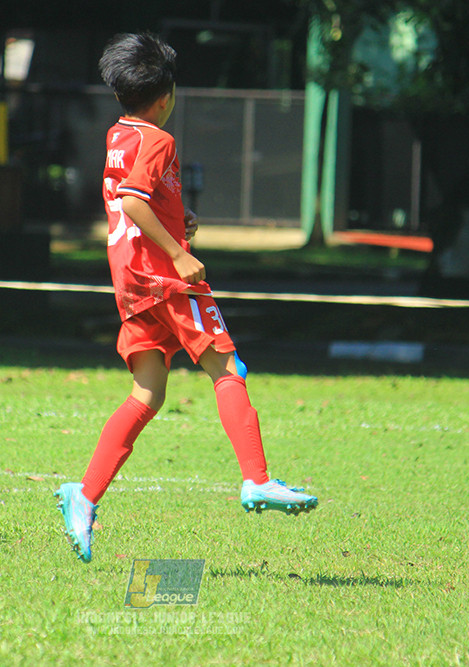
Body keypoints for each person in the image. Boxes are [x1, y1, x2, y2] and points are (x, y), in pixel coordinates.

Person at [55, 33, 317, 563]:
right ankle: (257, 480)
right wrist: (177, 252)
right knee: (228, 368)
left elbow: (135, 196)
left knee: (147, 394)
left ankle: (82, 496)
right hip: (165, 279)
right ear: (165, 95)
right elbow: (133, 201)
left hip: (130, 281)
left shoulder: (118, 134)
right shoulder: (159, 139)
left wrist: (176, 218)